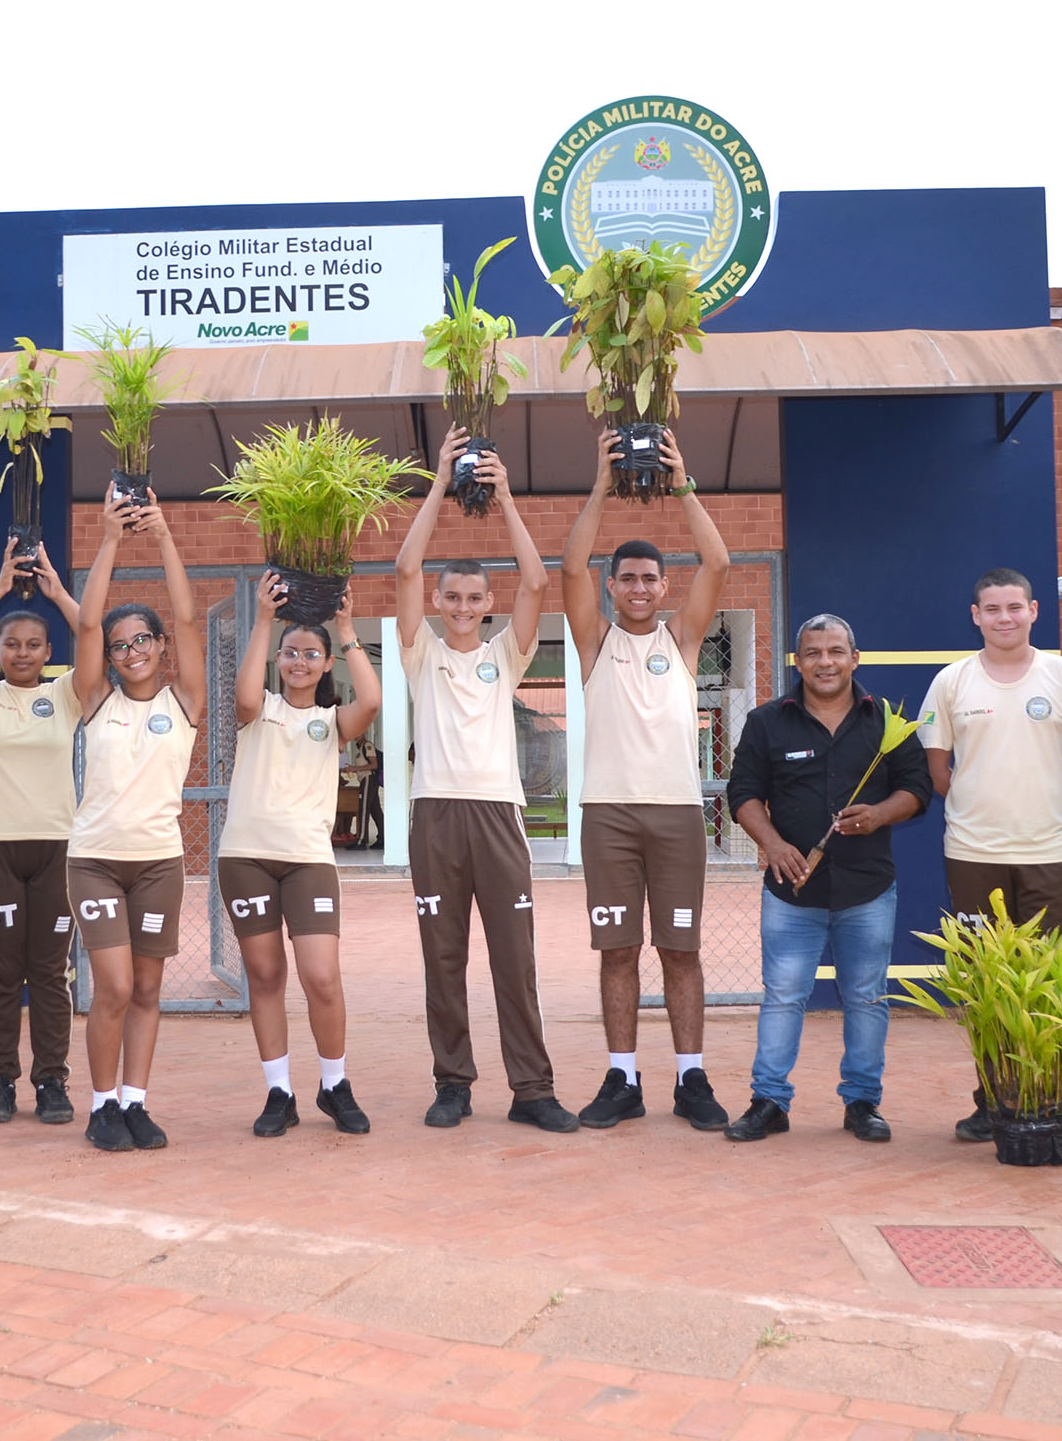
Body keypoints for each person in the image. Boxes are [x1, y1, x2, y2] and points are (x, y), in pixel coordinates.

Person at [394, 424, 573, 1133]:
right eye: (454, 598)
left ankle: (532, 1089)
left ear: (486, 607)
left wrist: (500, 498)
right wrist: (441, 481)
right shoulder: (420, 655)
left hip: (498, 816)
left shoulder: (507, 656)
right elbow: (406, 570)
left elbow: (536, 579)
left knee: (514, 959)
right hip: (436, 815)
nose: (464, 607)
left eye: (474, 599)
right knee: (443, 958)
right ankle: (453, 1083)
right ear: (440, 605)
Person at [559, 427, 732, 1132]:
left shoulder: (681, 641)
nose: (637, 587)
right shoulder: (594, 640)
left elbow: (716, 561)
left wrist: (684, 479)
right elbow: (570, 569)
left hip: (675, 816)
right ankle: (622, 1077)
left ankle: (691, 1079)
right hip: (608, 815)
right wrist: (603, 483)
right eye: (625, 578)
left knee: (681, 949)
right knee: (618, 949)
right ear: (613, 587)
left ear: (664, 587)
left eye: (648, 578)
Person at [920, 567, 1062, 1158]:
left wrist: (1051, 798)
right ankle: (996, 1099)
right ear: (975, 616)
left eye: (1015, 607)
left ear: (1034, 611)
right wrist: (984, 807)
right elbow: (938, 770)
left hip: (1050, 853)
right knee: (986, 984)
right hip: (974, 855)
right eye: (992, 609)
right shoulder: (951, 682)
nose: (1004, 618)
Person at [723, 615, 932, 1144]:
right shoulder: (768, 721)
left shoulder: (885, 721)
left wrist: (882, 814)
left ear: (854, 658)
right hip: (792, 892)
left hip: (867, 889)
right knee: (783, 995)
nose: (825, 662)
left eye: (836, 651)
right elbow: (742, 793)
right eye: (813, 652)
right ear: (799, 661)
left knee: (865, 996)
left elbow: (918, 788)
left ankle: (862, 1102)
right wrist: (772, 845)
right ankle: (769, 1100)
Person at [216, 576, 382, 1138]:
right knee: (264, 975)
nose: (300, 662)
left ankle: (334, 1084)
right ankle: (279, 1092)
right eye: (291, 654)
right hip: (246, 859)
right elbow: (241, 696)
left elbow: (374, 701)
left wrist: (347, 630)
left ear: (325, 662)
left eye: (311, 655)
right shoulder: (257, 709)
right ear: (278, 660)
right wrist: (264, 620)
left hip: (308, 862)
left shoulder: (331, 723)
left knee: (321, 977)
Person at [69, 488, 206, 1152]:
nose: (131, 652)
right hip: (95, 860)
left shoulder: (184, 700)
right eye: (121, 646)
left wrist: (164, 536)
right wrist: (112, 540)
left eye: (142, 640)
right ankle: (98, 1105)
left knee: (149, 987)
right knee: (115, 986)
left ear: (158, 645)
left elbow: (187, 618)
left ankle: (134, 1102)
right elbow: (88, 626)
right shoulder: (95, 700)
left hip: (158, 866)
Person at [0, 536, 85, 1125]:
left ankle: (52, 1081)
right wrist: (2, 586)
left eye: (34, 645)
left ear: (48, 650)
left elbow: (99, 646)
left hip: (57, 848)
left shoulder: (64, 695)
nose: (23, 653)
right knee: (2, 973)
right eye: (12, 644)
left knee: (51, 974)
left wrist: (56, 592)